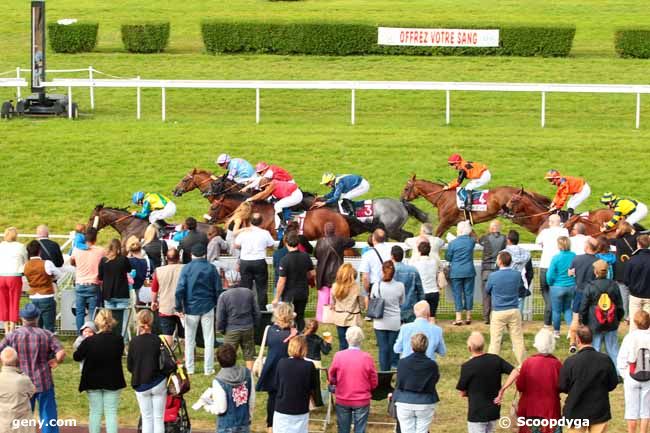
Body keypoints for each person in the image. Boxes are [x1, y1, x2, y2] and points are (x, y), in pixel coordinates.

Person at [0, 303, 65, 433]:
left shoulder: (12, 335)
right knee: (48, 416)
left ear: (22, 318)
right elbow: (61, 352)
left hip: (21, 382)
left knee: (23, 417)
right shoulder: (46, 334)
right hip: (43, 380)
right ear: (37, 317)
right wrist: (56, 360)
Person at [73, 309, 126, 433]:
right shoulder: (118, 340)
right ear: (111, 322)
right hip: (113, 379)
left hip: (92, 380)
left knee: (95, 411)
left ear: (97, 322)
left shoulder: (89, 341)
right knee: (111, 412)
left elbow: (77, 356)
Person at [558, 325, 619, 433]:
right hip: (599, 410)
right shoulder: (605, 360)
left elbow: (562, 386)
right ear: (592, 338)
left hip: (576, 411)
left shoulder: (571, 362)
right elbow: (613, 383)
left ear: (578, 340)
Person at [456, 331, 519, 433]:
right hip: (493, 410)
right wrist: (502, 390)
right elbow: (515, 372)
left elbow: (462, 392)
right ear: (483, 345)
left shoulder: (467, 366)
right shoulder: (495, 359)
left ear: (469, 348)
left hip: (477, 412)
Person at [176, 243, 222, 375]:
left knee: (189, 339)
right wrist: (216, 304)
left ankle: (190, 368)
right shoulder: (211, 268)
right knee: (209, 339)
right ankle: (208, 369)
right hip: (208, 306)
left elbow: (180, 288)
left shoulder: (186, 268)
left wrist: (179, 306)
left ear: (191, 255)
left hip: (190, 307)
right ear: (205, 254)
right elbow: (218, 289)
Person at [329, 326, 378, 433]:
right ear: (361, 339)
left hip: (343, 397)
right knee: (360, 429)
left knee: (343, 428)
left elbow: (331, 375)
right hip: (361, 398)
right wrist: (369, 387)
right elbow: (374, 379)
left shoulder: (339, 356)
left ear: (346, 339)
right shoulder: (367, 358)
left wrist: (334, 383)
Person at [256, 303, 296, 432]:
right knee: (287, 398)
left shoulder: (270, 330)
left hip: (272, 367)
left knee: (272, 398)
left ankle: (270, 425)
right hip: (288, 369)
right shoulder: (293, 333)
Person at [515, 328, 562, 433]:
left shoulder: (527, 363)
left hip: (530, 409)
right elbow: (561, 386)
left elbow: (520, 386)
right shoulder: (556, 364)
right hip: (550, 410)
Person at [127, 309, 166, 433]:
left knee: (146, 418)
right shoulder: (158, 340)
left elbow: (129, 366)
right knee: (159, 418)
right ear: (151, 322)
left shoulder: (133, 342)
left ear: (138, 323)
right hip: (158, 381)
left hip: (141, 382)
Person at [580, 259, 625, 365]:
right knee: (613, 350)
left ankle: (594, 370)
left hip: (594, 323)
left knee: (595, 349)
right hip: (611, 322)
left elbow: (584, 307)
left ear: (595, 271)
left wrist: (584, 322)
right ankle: (617, 372)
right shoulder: (614, 285)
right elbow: (619, 306)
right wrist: (617, 320)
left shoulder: (590, 286)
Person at [486, 251, 527, 366]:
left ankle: (491, 365)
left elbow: (487, 290)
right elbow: (520, 288)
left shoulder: (493, 276)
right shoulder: (516, 275)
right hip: (513, 310)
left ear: (500, 262)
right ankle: (523, 364)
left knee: (495, 340)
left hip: (499, 311)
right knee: (518, 339)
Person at [394, 333, 440, 433]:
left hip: (404, 402)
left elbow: (399, 381)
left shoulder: (402, 363)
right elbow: (435, 380)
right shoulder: (432, 365)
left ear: (412, 346)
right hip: (425, 402)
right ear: (426, 346)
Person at [272, 336, 319, 433]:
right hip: (300, 409)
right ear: (305, 348)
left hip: (283, 408)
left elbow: (276, 384)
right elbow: (313, 388)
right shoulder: (309, 366)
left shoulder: (282, 363)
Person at [216, 270, 260, 370]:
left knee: (227, 356)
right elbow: (257, 312)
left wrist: (221, 329)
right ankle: (250, 376)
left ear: (226, 281)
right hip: (248, 327)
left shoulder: (224, 296)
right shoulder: (249, 292)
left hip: (231, 329)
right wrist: (255, 325)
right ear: (239, 279)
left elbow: (220, 316)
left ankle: (229, 376)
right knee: (249, 354)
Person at [273, 231, 315, 331]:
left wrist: (276, 298)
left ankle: (289, 339)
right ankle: (300, 337)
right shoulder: (305, 256)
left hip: (289, 294)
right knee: (300, 317)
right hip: (303, 292)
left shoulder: (285, 260)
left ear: (286, 242)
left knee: (287, 317)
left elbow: (281, 281)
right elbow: (312, 273)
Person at [616, 310, 650, 433]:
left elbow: (621, 359)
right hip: (648, 375)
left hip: (631, 374)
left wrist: (625, 375)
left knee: (631, 410)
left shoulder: (630, 337)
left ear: (635, 323)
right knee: (646, 410)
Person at [314, 222, 354, 322]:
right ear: (334, 230)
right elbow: (352, 242)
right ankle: (334, 316)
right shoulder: (339, 240)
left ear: (324, 231)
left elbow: (315, 254)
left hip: (322, 273)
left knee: (323, 296)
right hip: (337, 272)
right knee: (336, 295)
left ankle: (322, 317)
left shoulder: (320, 241)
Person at [211, 343, 255, 433]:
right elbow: (252, 399)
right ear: (235, 357)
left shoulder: (219, 380)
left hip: (226, 426)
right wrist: (249, 417)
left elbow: (221, 409)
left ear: (219, 361)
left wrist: (208, 407)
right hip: (244, 423)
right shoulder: (247, 373)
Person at [234, 213, 275, 309]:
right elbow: (271, 245)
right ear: (261, 222)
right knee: (261, 287)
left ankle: (245, 308)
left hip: (245, 261)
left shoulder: (244, 233)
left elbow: (236, 245)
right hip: (259, 262)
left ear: (250, 221)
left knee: (245, 287)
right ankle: (261, 309)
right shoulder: (265, 233)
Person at [536, 214, 569, 328]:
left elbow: (538, 242)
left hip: (545, 266)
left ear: (550, 222)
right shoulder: (564, 231)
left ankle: (547, 321)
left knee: (546, 293)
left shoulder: (545, 232)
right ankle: (553, 320)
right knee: (555, 293)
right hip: (559, 267)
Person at [371, 260, 404, 371]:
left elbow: (373, 298)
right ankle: (394, 367)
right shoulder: (400, 286)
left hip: (380, 321)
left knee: (383, 348)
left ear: (382, 271)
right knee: (392, 347)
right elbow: (401, 302)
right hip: (394, 321)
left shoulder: (376, 285)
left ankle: (384, 371)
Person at [70, 227, 105, 333]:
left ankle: (80, 334)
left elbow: (72, 262)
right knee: (92, 312)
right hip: (93, 284)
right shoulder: (100, 251)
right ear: (95, 239)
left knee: (80, 312)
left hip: (80, 283)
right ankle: (91, 333)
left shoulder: (77, 249)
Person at [23, 240, 62, 332]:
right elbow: (59, 274)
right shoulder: (47, 263)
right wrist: (50, 278)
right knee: (49, 327)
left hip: (33, 296)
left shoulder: (26, 265)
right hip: (47, 295)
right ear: (40, 251)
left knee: (36, 327)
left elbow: (27, 277)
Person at [568, 237, 598, 352]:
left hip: (579, 292)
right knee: (590, 319)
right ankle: (589, 342)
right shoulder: (598, 261)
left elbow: (570, 273)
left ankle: (572, 343)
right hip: (592, 293)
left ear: (587, 247)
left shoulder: (577, 258)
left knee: (575, 318)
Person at [98, 239, 132, 338]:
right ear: (119, 248)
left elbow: (100, 277)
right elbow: (129, 269)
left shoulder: (104, 260)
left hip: (108, 293)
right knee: (123, 319)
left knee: (108, 319)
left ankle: (109, 338)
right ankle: (123, 339)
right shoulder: (123, 259)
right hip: (122, 293)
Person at [151, 248, 184, 346]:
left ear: (166, 258)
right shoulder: (186, 268)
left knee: (167, 335)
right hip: (183, 306)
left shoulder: (159, 271)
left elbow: (154, 289)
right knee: (186, 335)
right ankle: (188, 357)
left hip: (165, 306)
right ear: (179, 258)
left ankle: (167, 357)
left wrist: (154, 301)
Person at [446, 221, 476, 326]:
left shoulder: (453, 243)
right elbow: (474, 236)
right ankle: (468, 316)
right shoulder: (471, 241)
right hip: (469, 270)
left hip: (456, 271)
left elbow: (448, 257)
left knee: (457, 294)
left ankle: (458, 317)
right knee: (469, 293)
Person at [0, 346, 35, 433]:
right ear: (17, 361)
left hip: (3, 425)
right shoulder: (23, 379)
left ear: (1, 361)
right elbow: (32, 391)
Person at [547, 236, 576, 338]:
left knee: (556, 310)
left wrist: (550, 282)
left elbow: (550, 274)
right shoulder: (574, 256)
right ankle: (570, 330)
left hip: (557, 286)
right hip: (571, 285)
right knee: (568, 309)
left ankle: (556, 332)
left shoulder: (556, 258)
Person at [330, 263, 364, 350]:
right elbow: (361, 303)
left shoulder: (335, 286)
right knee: (354, 343)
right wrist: (362, 308)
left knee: (342, 343)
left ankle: (343, 360)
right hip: (353, 317)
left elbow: (332, 303)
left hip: (340, 317)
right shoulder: (356, 287)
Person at [479, 220, 507, 324]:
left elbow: (479, 241)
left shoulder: (485, 238)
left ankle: (486, 317)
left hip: (486, 270)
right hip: (498, 269)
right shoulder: (504, 238)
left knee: (486, 294)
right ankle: (497, 316)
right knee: (498, 294)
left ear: (490, 228)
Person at [0, 227, 27, 333]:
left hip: (1, 276)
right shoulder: (20, 246)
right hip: (14, 276)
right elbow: (26, 260)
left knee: (3, 303)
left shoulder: (1, 246)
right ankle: (12, 328)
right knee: (14, 302)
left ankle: (6, 329)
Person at [502, 230, 533, 313]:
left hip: (506, 285)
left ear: (508, 240)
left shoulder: (503, 254)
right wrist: (526, 284)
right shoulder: (526, 254)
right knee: (518, 314)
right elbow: (530, 273)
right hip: (521, 284)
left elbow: (498, 271)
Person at [613, 222, 639, 323]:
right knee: (634, 295)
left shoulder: (617, 241)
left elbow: (608, 240)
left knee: (624, 295)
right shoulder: (635, 239)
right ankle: (635, 315)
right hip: (634, 271)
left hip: (621, 272)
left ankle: (626, 316)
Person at [391, 245, 424, 324]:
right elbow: (420, 290)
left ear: (392, 256)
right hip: (411, 306)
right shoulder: (413, 270)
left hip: (393, 308)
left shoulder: (389, 271)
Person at [409, 241, 441, 319]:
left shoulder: (415, 263)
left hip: (422, 293)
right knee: (432, 317)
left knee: (420, 317)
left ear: (419, 251)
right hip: (434, 292)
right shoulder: (434, 262)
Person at [624, 234, 650, 331]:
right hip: (648, 295)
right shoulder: (633, 259)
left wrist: (632, 287)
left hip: (635, 295)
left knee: (634, 324)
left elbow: (626, 279)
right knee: (649, 323)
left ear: (638, 244)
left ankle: (634, 344)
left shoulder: (633, 260)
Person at [359, 228, 392, 295]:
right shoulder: (391, 251)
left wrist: (366, 291)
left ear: (373, 239)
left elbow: (365, 277)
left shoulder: (367, 255)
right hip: (390, 285)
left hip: (374, 287)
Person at [126, 236, 152, 303]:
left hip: (130, 290)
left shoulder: (127, 261)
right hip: (144, 289)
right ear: (141, 248)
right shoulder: (148, 261)